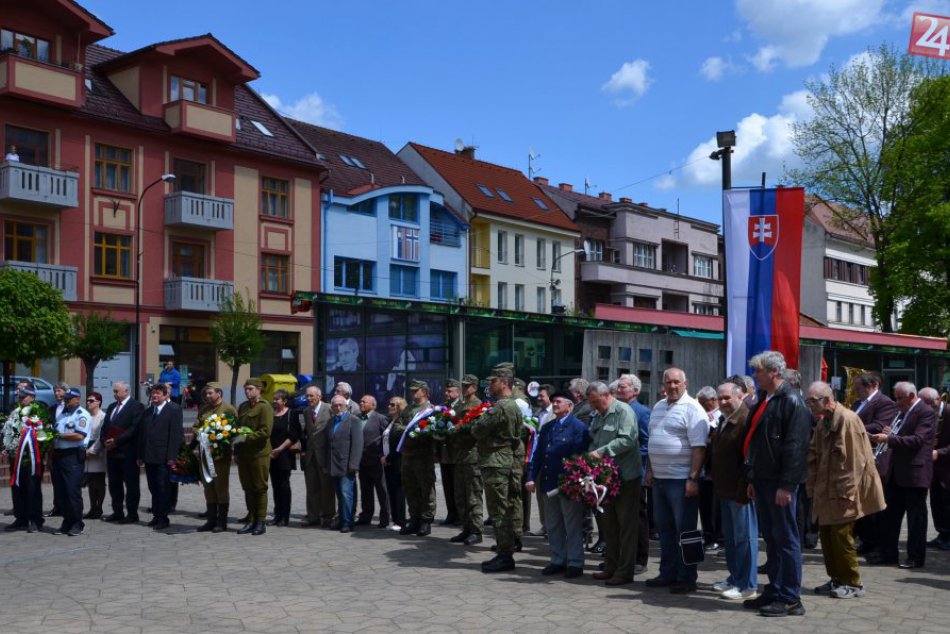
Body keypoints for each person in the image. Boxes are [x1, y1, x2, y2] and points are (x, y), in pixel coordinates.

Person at [742, 350, 812, 618]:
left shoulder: (792, 401)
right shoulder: (765, 399)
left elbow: (796, 447)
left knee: (786, 539)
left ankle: (791, 598)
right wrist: (752, 479)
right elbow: (758, 443)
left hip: (780, 483)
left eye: (758, 370)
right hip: (763, 479)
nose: (755, 375)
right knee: (772, 538)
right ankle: (775, 588)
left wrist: (787, 485)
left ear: (773, 372)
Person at [805, 381, 885, 599]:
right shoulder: (824, 422)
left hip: (843, 492)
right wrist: (812, 487)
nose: (809, 405)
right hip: (827, 490)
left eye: (812, 401)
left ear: (827, 399)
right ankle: (836, 579)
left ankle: (853, 582)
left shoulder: (847, 420)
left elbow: (853, 463)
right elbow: (813, 454)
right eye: (808, 401)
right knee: (827, 536)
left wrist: (847, 494)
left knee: (842, 537)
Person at [644, 368, 707, 594]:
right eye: (668, 382)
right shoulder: (659, 406)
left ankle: (688, 577)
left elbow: (699, 447)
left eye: (676, 382)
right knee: (665, 530)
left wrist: (693, 477)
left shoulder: (693, 408)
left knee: (687, 532)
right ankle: (668, 573)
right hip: (660, 479)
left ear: (685, 383)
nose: (672, 386)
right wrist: (650, 470)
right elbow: (653, 440)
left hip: (681, 480)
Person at [868, 381, 936, 569]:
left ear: (911, 396)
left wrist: (890, 439)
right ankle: (888, 553)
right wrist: (890, 434)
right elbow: (901, 434)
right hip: (897, 472)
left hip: (915, 474)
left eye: (899, 398)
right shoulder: (902, 412)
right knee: (890, 515)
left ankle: (915, 557)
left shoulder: (925, 412)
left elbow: (917, 440)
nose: (896, 402)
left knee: (916, 520)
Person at [526, 391, 588, 578]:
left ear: (570, 406)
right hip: (548, 482)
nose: (555, 404)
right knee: (553, 524)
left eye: (559, 401)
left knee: (572, 524)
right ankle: (558, 559)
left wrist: (573, 480)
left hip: (568, 484)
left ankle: (576, 562)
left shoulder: (578, 427)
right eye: (553, 402)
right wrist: (531, 477)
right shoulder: (548, 427)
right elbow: (538, 455)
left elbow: (580, 458)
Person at [587, 381, 641, 587]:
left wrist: (602, 451)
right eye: (591, 403)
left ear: (606, 395)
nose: (594, 407)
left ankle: (625, 571)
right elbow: (594, 440)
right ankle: (610, 566)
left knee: (626, 526)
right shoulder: (599, 414)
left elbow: (627, 439)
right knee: (608, 525)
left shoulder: (623, 411)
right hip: (606, 478)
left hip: (626, 477)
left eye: (596, 402)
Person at [472, 363, 523, 573]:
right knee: (505, 508)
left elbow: (477, 429)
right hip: (505, 460)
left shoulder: (501, 406)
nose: (489, 385)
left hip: (495, 462)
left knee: (498, 511)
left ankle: (505, 555)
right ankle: (506, 551)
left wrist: (478, 423)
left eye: (493, 381)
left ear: (504, 383)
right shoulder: (513, 405)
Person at [710, 382, 758, 601]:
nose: (722, 402)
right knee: (731, 539)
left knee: (744, 539)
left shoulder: (746, 420)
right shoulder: (724, 419)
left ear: (740, 396)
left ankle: (747, 585)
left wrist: (742, 492)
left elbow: (748, 460)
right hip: (724, 490)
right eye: (720, 398)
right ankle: (734, 577)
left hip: (740, 493)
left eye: (727, 398)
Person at [2, 384, 49, 532]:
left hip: (32, 458)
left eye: (23, 397)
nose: (20, 399)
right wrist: (6, 447)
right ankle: (20, 518)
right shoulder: (15, 411)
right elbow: (9, 431)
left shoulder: (39, 411)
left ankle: (35, 519)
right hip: (16, 457)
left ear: (32, 397)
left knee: (32, 489)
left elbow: (44, 435)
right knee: (17, 487)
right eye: (19, 397)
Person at [616, 373, 651, 575]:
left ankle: (640, 558)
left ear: (635, 391)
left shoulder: (642, 412)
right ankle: (623, 556)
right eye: (619, 387)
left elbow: (646, 442)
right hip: (616, 472)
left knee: (637, 515)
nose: (620, 390)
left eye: (624, 387)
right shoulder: (616, 410)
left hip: (635, 472)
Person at [137, 383, 183, 530]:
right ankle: (156, 515)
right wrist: (140, 455)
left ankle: (163, 517)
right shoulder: (149, 411)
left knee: (163, 487)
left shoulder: (173, 410)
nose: (155, 396)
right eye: (153, 394)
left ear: (166, 395)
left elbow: (176, 435)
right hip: (150, 456)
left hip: (164, 457)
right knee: (153, 487)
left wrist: (171, 456)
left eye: (158, 393)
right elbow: (143, 435)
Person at [396, 380, 437, 537]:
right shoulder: (408, 409)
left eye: (416, 390)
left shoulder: (431, 410)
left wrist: (420, 432)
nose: (413, 393)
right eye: (412, 390)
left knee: (426, 488)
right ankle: (414, 519)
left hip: (423, 455)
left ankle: (426, 521)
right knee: (410, 488)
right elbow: (398, 426)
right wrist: (409, 429)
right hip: (408, 455)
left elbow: (436, 431)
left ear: (425, 392)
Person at [101, 381, 145, 524]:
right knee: (114, 484)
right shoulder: (112, 407)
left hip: (128, 453)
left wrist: (116, 441)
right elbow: (105, 427)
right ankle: (117, 511)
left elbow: (134, 429)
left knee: (131, 485)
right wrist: (104, 441)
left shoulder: (136, 406)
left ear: (126, 391)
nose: (114, 394)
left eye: (116, 391)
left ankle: (132, 514)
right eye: (114, 391)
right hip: (112, 453)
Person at [235, 378, 274, 536]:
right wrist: (236, 446)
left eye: (250, 388)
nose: (247, 391)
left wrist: (245, 438)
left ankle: (260, 521)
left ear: (259, 390)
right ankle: (250, 519)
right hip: (244, 453)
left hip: (259, 454)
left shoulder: (265, 407)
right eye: (246, 389)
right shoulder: (243, 406)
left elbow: (265, 431)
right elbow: (237, 428)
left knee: (259, 488)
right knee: (247, 487)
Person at [448, 374, 484, 545]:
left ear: (474, 387)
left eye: (467, 386)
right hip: (460, 456)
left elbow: (475, 431)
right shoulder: (461, 405)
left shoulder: (478, 405)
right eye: (462, 386)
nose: (464, 388)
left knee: (473, 496)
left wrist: (457, 429)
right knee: (460, 495)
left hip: (472, 456)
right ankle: (466, 528)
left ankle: (476, 531)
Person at [51, 388, 90, 536]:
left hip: (73, 456)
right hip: (59, 455)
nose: (66, 401)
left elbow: (79, 436)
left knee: (72, 490)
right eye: (65, 399)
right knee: (61, 491)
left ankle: (77, 523)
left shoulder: (82, 415)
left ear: (77, 399)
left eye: (69, 399)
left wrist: (59, 436)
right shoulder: (63, 414)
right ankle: (67, 521)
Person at [327, 395, 363, 532]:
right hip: (333, 464)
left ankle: (347, 523)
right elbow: (328, 445)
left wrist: (354, 465)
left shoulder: (353, 420)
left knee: (346, 494)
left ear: (346, 406)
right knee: (340, 495)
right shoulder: (331, 422)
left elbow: (357, 444)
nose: (337, 408)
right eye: (335, 405)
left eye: (340, 405)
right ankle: (342, 519)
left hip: (346, 465)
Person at [301, 385, 335, 528]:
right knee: (311, 488)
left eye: (311, 396)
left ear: (319, 396)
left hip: (324, 456)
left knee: (326, 488)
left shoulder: (329, 409)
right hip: (310, 456)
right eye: (307, 396)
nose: (309, 399)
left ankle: (328, 517)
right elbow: (308, 434)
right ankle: (313, 516)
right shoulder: (306, 411)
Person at [922, 387, 950, 550]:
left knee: (947, 503)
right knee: (936, 502)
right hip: (933, 468)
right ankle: (942, 534)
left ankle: (947, 536)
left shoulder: (947, 412)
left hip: (946, 466)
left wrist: (938, 453)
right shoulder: (929, 414)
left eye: (928, 404)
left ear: (938, 399)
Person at [267, 389, 299, 527]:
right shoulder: (271, 414)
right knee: (275, 485)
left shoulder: (292, 414)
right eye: (274, 399)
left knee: (284, 485)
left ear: (284, 401)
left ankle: (285, 516)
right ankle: (277, 514)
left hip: (284, 454)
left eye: (277, 399)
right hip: (271, 454)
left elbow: (294, 435)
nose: (274, 401)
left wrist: (280, 449)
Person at [356, 394, 389, 528]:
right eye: (360, 401)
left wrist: (383, 455)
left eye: (364, 401)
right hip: (362, 462)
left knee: (382, 490)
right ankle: (366, 516)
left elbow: (386, 437)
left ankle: (385, 518)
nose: (361, 403)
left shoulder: (380, 418)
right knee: (365, 491)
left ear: (373, 405)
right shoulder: (356, 418)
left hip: (377, 461)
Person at [527, 383, 555, 537]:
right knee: (539, 494)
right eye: (537, 396)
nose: (538, 398)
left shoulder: (554, 413)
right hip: (537, 458)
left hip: (549, 460)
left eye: (541, 396)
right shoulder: (537, 412)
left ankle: (552, 527)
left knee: (549, 496)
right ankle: (545, 525)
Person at [696, 385, 721, 553]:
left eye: (703, 403)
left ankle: (717, 537)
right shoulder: (701, 415)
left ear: (712, 401)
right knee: (704, 505)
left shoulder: (721, 416)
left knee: (714, 506)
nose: (701, 406)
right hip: (702, 468)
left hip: (715, 469)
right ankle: (707, 534)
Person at [382, 396, 408, 530]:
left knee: (398, 492)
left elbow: (400, 445)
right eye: (389, 404)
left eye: (392, 405)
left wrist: (388, 457)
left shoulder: (401, 422)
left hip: (397, 461)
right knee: (391, 491)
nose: (389, 406)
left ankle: (401, 521)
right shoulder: (390, 422)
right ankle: (395, 520)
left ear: (399, 407)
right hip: (388, 462)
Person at [438, 380, 461, 526]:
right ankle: (451, 513)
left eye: (450, 391)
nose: (447, 393)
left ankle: (459, 514)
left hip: (457, 453)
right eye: (446, 391)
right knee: (447, 485)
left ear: (458, 392)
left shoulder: (462, 407)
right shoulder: (442, 407)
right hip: (445, 453)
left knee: (457, 486)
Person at [83, 392, 107, 520]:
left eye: (91, 401)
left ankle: (99, 507)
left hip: (97, 451)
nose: (88, 403)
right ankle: (92, 507)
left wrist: (93, 450)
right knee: (91, 482)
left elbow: (101, 436)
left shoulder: (103, 417)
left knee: (99, 481)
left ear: (99, 402)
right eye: (87, 400)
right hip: (86, 451)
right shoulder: (87, 416)